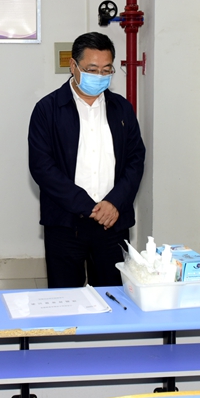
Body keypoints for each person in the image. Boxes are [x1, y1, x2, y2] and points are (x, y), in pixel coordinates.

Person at [28, 32, 146, 288]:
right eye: (92, 70)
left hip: (112, 222)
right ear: (73, 66)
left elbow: (136, 159)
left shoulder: (122, 109)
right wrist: (87, 206)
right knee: (65, 297)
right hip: (65, 223)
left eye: (106, 70)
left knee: (112, 296)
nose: (100, 76)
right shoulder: (47, 110)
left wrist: (114, 202)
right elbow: (42, 166)